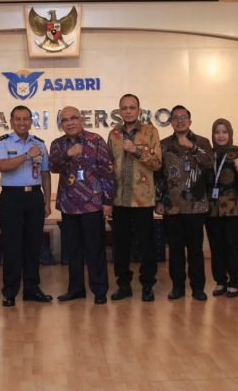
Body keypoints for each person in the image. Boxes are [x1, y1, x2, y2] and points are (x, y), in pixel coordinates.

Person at [49, 106, 115, 305]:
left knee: (95, 249)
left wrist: (108, 201)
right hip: (68, 205)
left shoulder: (96, 140)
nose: (69, 122)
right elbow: (53, 167)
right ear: (61, 124)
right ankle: (76, 289)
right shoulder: (58, 144)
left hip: (92, 205)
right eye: (65, 120)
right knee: (73, 250)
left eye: (73, 118)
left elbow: (107, 171)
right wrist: (68, 154)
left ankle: (99, 290)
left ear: (81, 119)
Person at [0, 106, 53, 307]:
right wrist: (27, 155)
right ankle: (10, 291)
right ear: (11, 121)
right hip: (11, 198)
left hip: (34, 197)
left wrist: (47, 202)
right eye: (18, 119)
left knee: (33, 246)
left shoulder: (40, 144)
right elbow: (3, 166)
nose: (22, 122)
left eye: (26, 119)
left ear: (31, 121)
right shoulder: (2, 142)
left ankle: (32, 289)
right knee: (12, 246)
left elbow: (45, 174)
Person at [154, 105, 213, 301]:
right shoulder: (163, 145)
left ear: (190, 120)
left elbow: (210, 165)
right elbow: (159, 176)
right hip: (172, 206)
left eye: (183, 117)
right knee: (175, 249)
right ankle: (177, 287)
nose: (180, 121)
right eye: (176, 118)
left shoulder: (202, 142)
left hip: (196, 205)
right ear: (170, 122)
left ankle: (198, 288)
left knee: (195, 250)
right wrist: (159, 200)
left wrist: (192, 147)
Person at [106, 93, 161, 302]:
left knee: (146, 245)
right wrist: (107, 199)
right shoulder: (114, 134)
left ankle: (147, 285)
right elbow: (108, 167)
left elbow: (157, 164)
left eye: (132, 107)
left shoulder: (150, 132)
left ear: (139, 110)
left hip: (142, 201)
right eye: (124, 108)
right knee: (120, 246)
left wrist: (136, 151)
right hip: (119, 199)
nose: (128, 111)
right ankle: (123, 285)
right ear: (119, 111)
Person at [205, 118, 238, 298]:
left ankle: (234, 283)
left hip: (234, 208)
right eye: (217, 132)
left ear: (230, 134)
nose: (221, 136)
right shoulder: (209, 154)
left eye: (224, 132)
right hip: (212, 208)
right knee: (216, 246)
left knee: (233, 246)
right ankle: (220, 281)